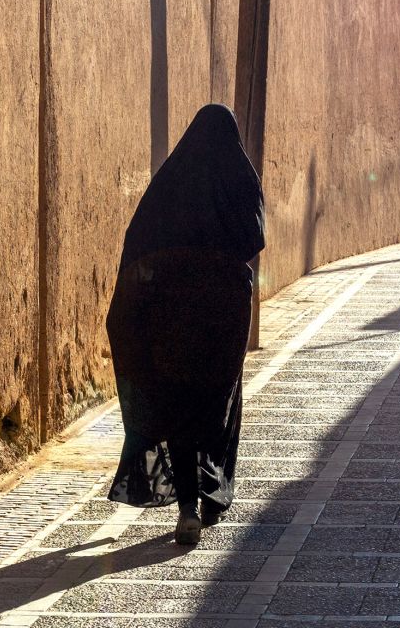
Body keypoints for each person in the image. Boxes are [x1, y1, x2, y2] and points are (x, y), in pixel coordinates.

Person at [105, 104, 265, 545]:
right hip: (222, 314)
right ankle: (212, 495)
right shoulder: (240, 177)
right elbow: (254, 239)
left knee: (177, 401)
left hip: (170, 316)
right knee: (215, 403)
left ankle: (188, 507)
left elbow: (137, 242)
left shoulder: (171, 182)